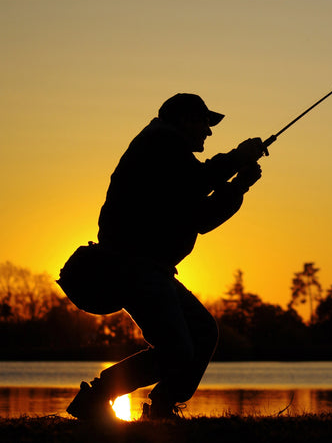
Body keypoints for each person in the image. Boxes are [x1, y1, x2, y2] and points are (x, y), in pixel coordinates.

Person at [66, 93, 265, 420]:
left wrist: (240, 184)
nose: (209, 132)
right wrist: (236, 158)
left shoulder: (172, 155)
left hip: (153, 269)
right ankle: (99, 396)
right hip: (132, 265)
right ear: (185, 119)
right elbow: (198, 181)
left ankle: (162, 407)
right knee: (178, 349)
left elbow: (202, 217)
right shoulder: (158, 143)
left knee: (202, 332)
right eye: (205, 123)